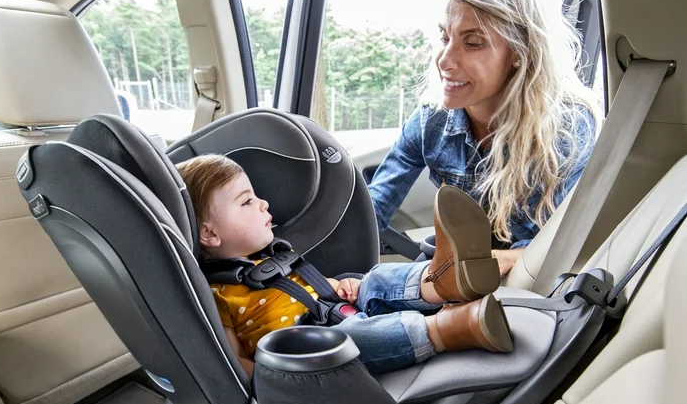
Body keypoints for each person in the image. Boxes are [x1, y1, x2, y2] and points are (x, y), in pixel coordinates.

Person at [368, 0, 601, 278]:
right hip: (454, 271)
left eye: (473, 43)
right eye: (445, 37)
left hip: (523, 286)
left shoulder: (567, 132)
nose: (444, 60)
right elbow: (371, 211)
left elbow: (556, 250)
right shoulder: (431, 120)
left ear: (520, 51)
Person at [177, 153, 513, 378]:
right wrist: (276, 379)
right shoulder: (217, 293)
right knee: (352, 337)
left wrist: (341, 287)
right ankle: (451, 329)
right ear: (209, 233)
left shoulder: (273, 256)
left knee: (374, 280)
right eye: (247, 201)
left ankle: (441, 278)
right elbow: (235, 361)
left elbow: (311, 286)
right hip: (314, 355)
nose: (263, 203)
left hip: (337, 309)